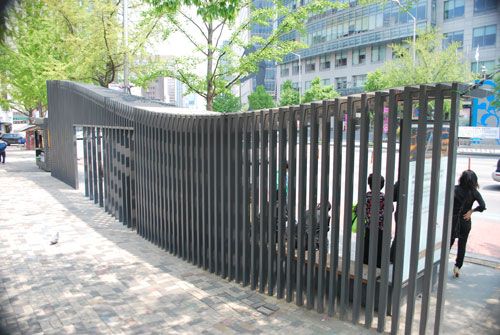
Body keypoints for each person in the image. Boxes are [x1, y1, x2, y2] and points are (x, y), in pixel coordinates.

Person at [450, 170, 486, 278]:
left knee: (448, 243)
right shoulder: (474, 192)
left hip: (453, 221)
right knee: (462, 245)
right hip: (465, 221)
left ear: (461, 179)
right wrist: (472, 211)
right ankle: (457, 267)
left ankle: (441, 263)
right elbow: (483, 206)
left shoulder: (455, 189)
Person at [363, 173, 385, 268]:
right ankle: (378, 267)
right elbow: (390, 209)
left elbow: (359, 209)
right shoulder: (384, 197)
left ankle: (366, 266)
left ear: (369, 184)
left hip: (368, 227)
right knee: (379, 249)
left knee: (367, 248)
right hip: (380, 228)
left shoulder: (366, 196)